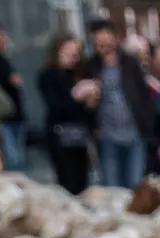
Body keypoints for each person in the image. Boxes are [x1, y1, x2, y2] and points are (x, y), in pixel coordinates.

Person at [77, 17, 155, 189]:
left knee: (135, 184)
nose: (101, 45)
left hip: (134, 132)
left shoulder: (129, 63)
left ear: (114, 38)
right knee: (111, 187)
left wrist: (146, 124)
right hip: (107, 134)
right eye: (97, 42)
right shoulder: (90, 66)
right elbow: (85, 103)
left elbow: (143, 95)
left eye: (104, 40)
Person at [38, 32, 93, 195]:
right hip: (60, 135)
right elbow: (57, 107)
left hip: (79, 135)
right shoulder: (48, 75)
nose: (73, 56)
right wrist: (76, 95)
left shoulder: (79, 74)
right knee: (67, 181)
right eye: (68, 51)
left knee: (82, 179)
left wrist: (91, 100)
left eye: (76, 52)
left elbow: (85, 111)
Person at [0, 25, 26, 170]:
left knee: (18, 157)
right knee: (12, 158)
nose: (5, 41)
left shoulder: (4, 59)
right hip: (4, 119)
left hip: (15, 116)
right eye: (2, 38)